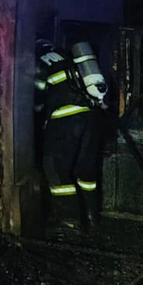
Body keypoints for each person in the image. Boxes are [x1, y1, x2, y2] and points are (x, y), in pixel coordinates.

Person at [35, 38, 107, 234]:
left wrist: (38, 111)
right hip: (90, 118)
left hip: (64, 120)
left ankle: (70, 222)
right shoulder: (70, 57)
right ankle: (92, 218)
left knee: (55, 168)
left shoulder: (41, 62)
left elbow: (38, 99)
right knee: (85, 170)